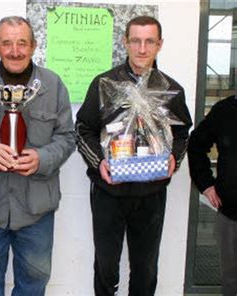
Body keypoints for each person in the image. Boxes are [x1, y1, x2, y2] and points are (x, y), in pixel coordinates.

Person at [0, 16, 75, 295]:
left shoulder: (53, 85)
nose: (15, 50)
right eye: (7, 43)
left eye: (22, 43)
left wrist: (42, 158)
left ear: (33, 46)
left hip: (36, 210)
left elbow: (67, 137)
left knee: (33, 285)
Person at [75, 16, 192, 296]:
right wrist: (100, 163)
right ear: (125, 43)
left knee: (146, 267)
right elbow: (83, 130)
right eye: (136, 41)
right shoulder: (104, 84)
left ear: (159, 44)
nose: (142, 48)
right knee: (106, 266)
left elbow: (182, 133)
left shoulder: (170, 89)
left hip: (151, 194)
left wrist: (174, 158)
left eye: (149, 41)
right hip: (108, 191)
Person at [188, 94, 237, 296]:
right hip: (231, 218)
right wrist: (206, 184)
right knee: (232, 280)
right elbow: (196, 145)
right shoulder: (224, 110)